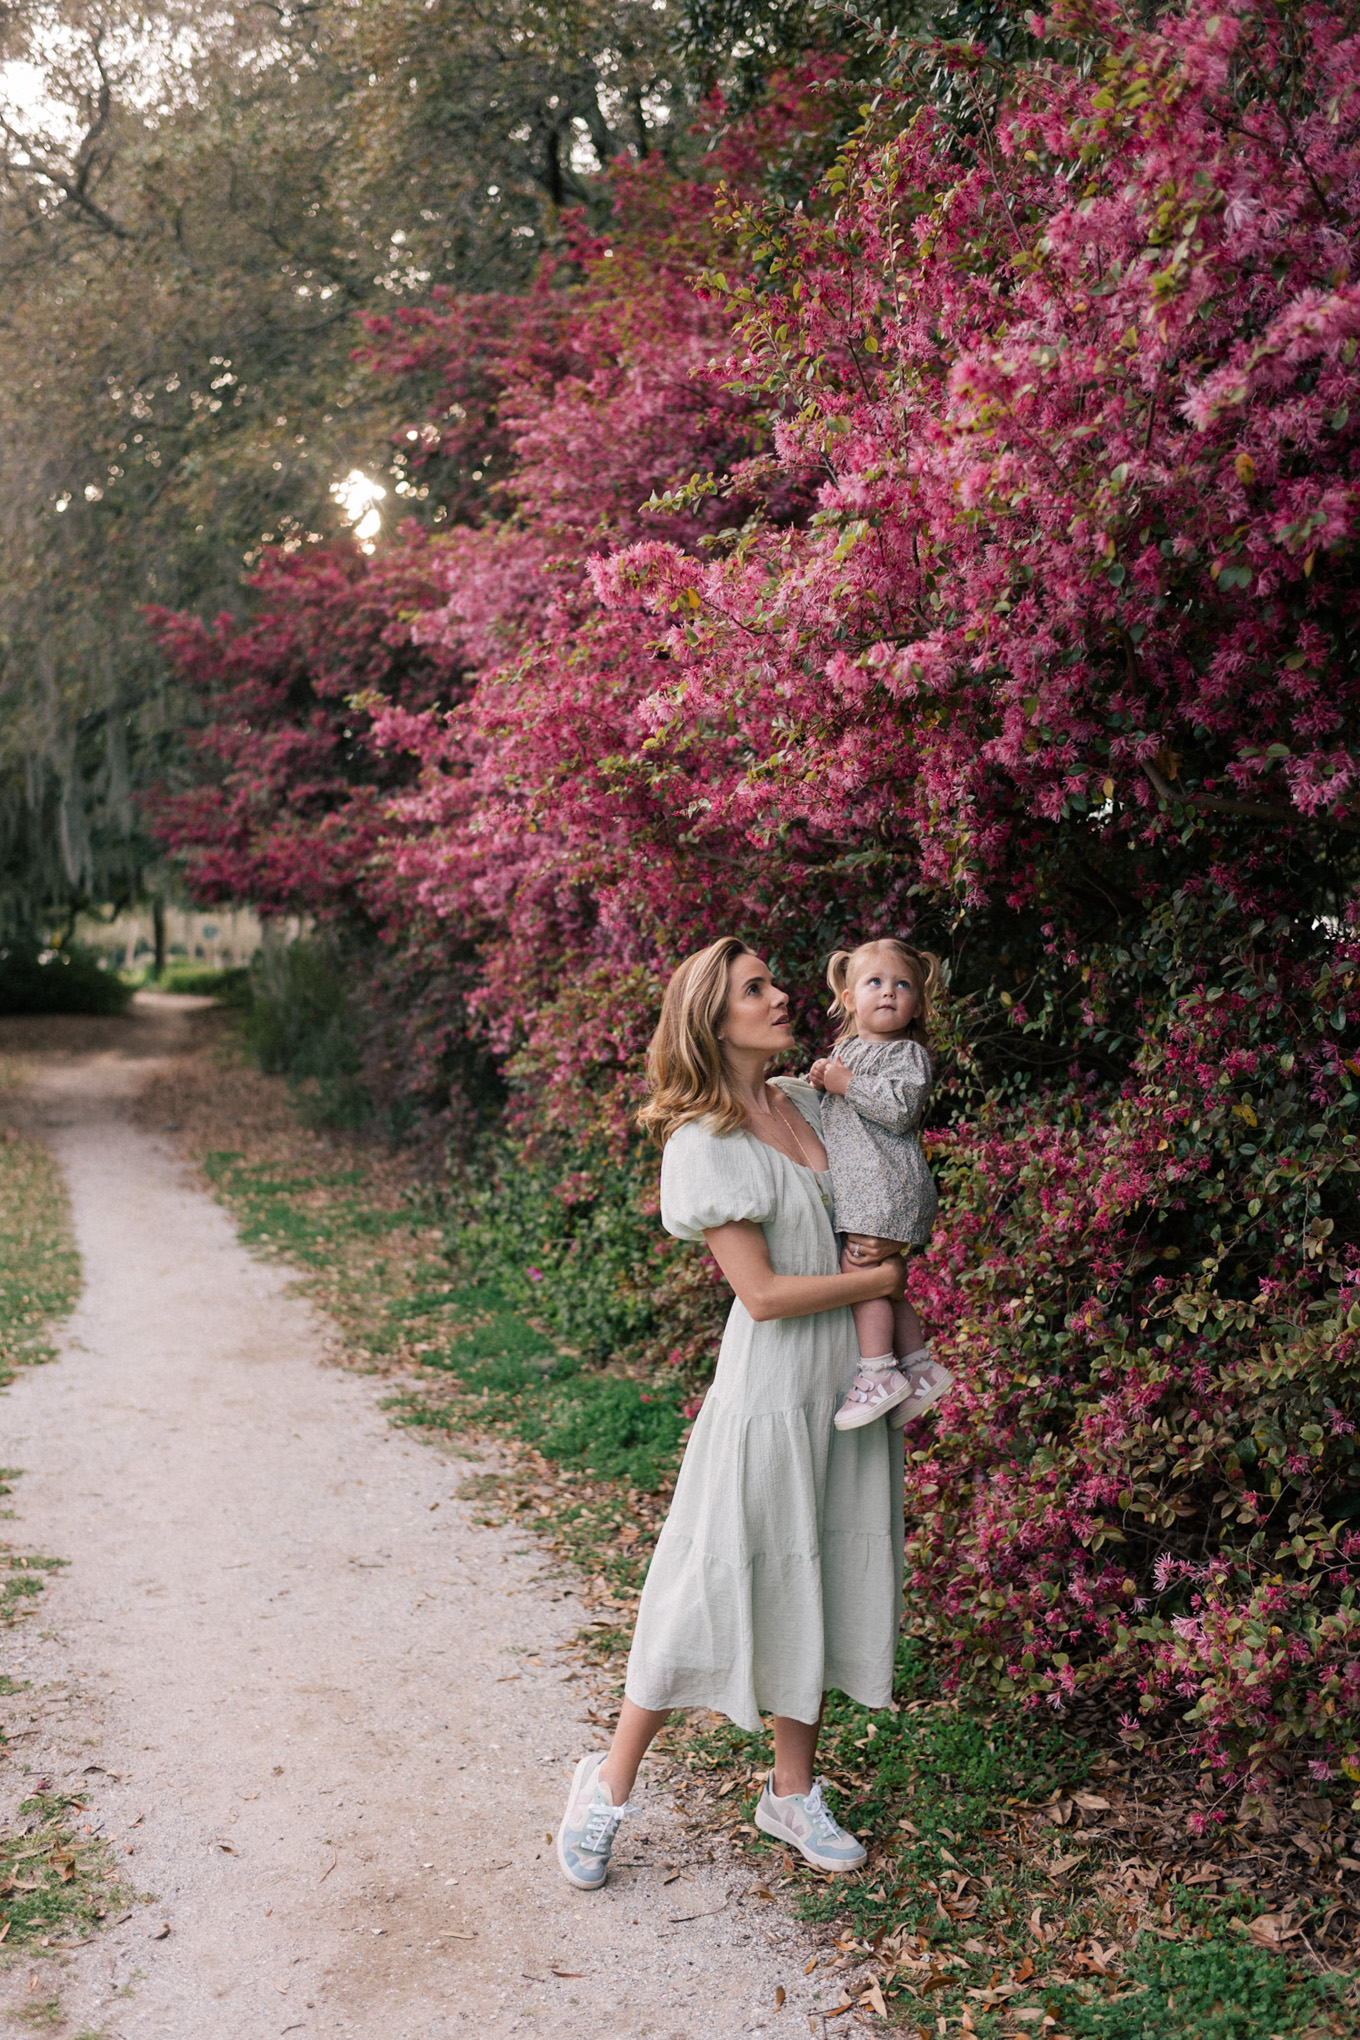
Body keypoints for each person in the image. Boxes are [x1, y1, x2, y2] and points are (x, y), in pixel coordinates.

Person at [556, 936, 908, 1893]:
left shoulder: (806, 1101)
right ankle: (608, 1785)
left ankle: (791, 1793)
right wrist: (878, 1277)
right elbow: (757, 1293)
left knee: (822, 1565)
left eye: (773, 982)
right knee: (707, 1582)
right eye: (755, 989)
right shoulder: (704, 1141)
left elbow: (893, 1171)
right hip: (767, 1391)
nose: (781, 995)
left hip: (846, 1382)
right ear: (713, 1019)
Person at [807, 939, 955, 1432]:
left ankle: (877, 1375)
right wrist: (821, 1078)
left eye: (902, 985)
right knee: (884, 1279)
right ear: (849, 999)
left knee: (861, 1270)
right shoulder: (846, 1049)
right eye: (875, 982)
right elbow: (838, 1108)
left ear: (917, 1003)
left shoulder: (908, 1054)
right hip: (867, 1187)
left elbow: (899, 1112)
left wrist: (844, 1083)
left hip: (889, 1185)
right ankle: (918, 1367)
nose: (889, 993)